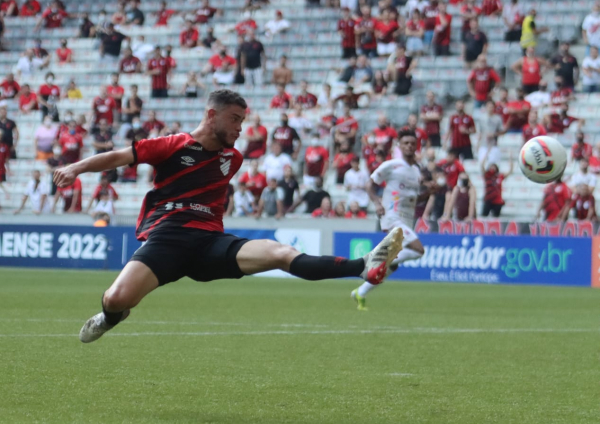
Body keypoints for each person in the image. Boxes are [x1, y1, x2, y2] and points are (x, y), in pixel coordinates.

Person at [55, 90, 403, 343]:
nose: (241, 129)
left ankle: (364, 264)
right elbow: (117, 157)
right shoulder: (172, 145)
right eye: (234, 119)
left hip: (210, 242)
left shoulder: (232, 158)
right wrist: (75, 168)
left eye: (243, 121)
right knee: (116, 299)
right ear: (211, 115)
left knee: (280, 253)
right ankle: (109, 318)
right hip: (168, 237)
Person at [351, 129, 425, 310]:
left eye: (412, 143)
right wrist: (376, 203)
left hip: (407, 219)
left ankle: (360, 293)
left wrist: (430, 192)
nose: (409, 146)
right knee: (418, 250)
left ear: (416, 146)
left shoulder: (416, 170)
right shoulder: (391, 165)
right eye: (405, 143)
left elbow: (415, 198)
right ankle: (378, 259)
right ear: (399, 145)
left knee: (392, 267)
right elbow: (370, 184)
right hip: (392, 216)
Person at [481, 151, 512, 217]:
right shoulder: (487, 175)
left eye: (493, 167)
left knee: (495, 217)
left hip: (497, 200)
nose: (492, 168)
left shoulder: (499, 176)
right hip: (488, 199)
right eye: (491, 167)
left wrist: (510, 159)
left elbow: (510, 171)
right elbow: (482, 166)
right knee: (483, 216)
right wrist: (486, 155)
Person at [476, 100, 503, 165]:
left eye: (491, 107)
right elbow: (479, 132)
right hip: (483, 145)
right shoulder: (481, 118)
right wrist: (477, 144)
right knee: (482, 164)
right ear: (486, 107)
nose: (490, 108)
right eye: (488, 107)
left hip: (493, 145)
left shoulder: (498, 118)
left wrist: (494, 134)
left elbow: (502, 131)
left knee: (493, 165)